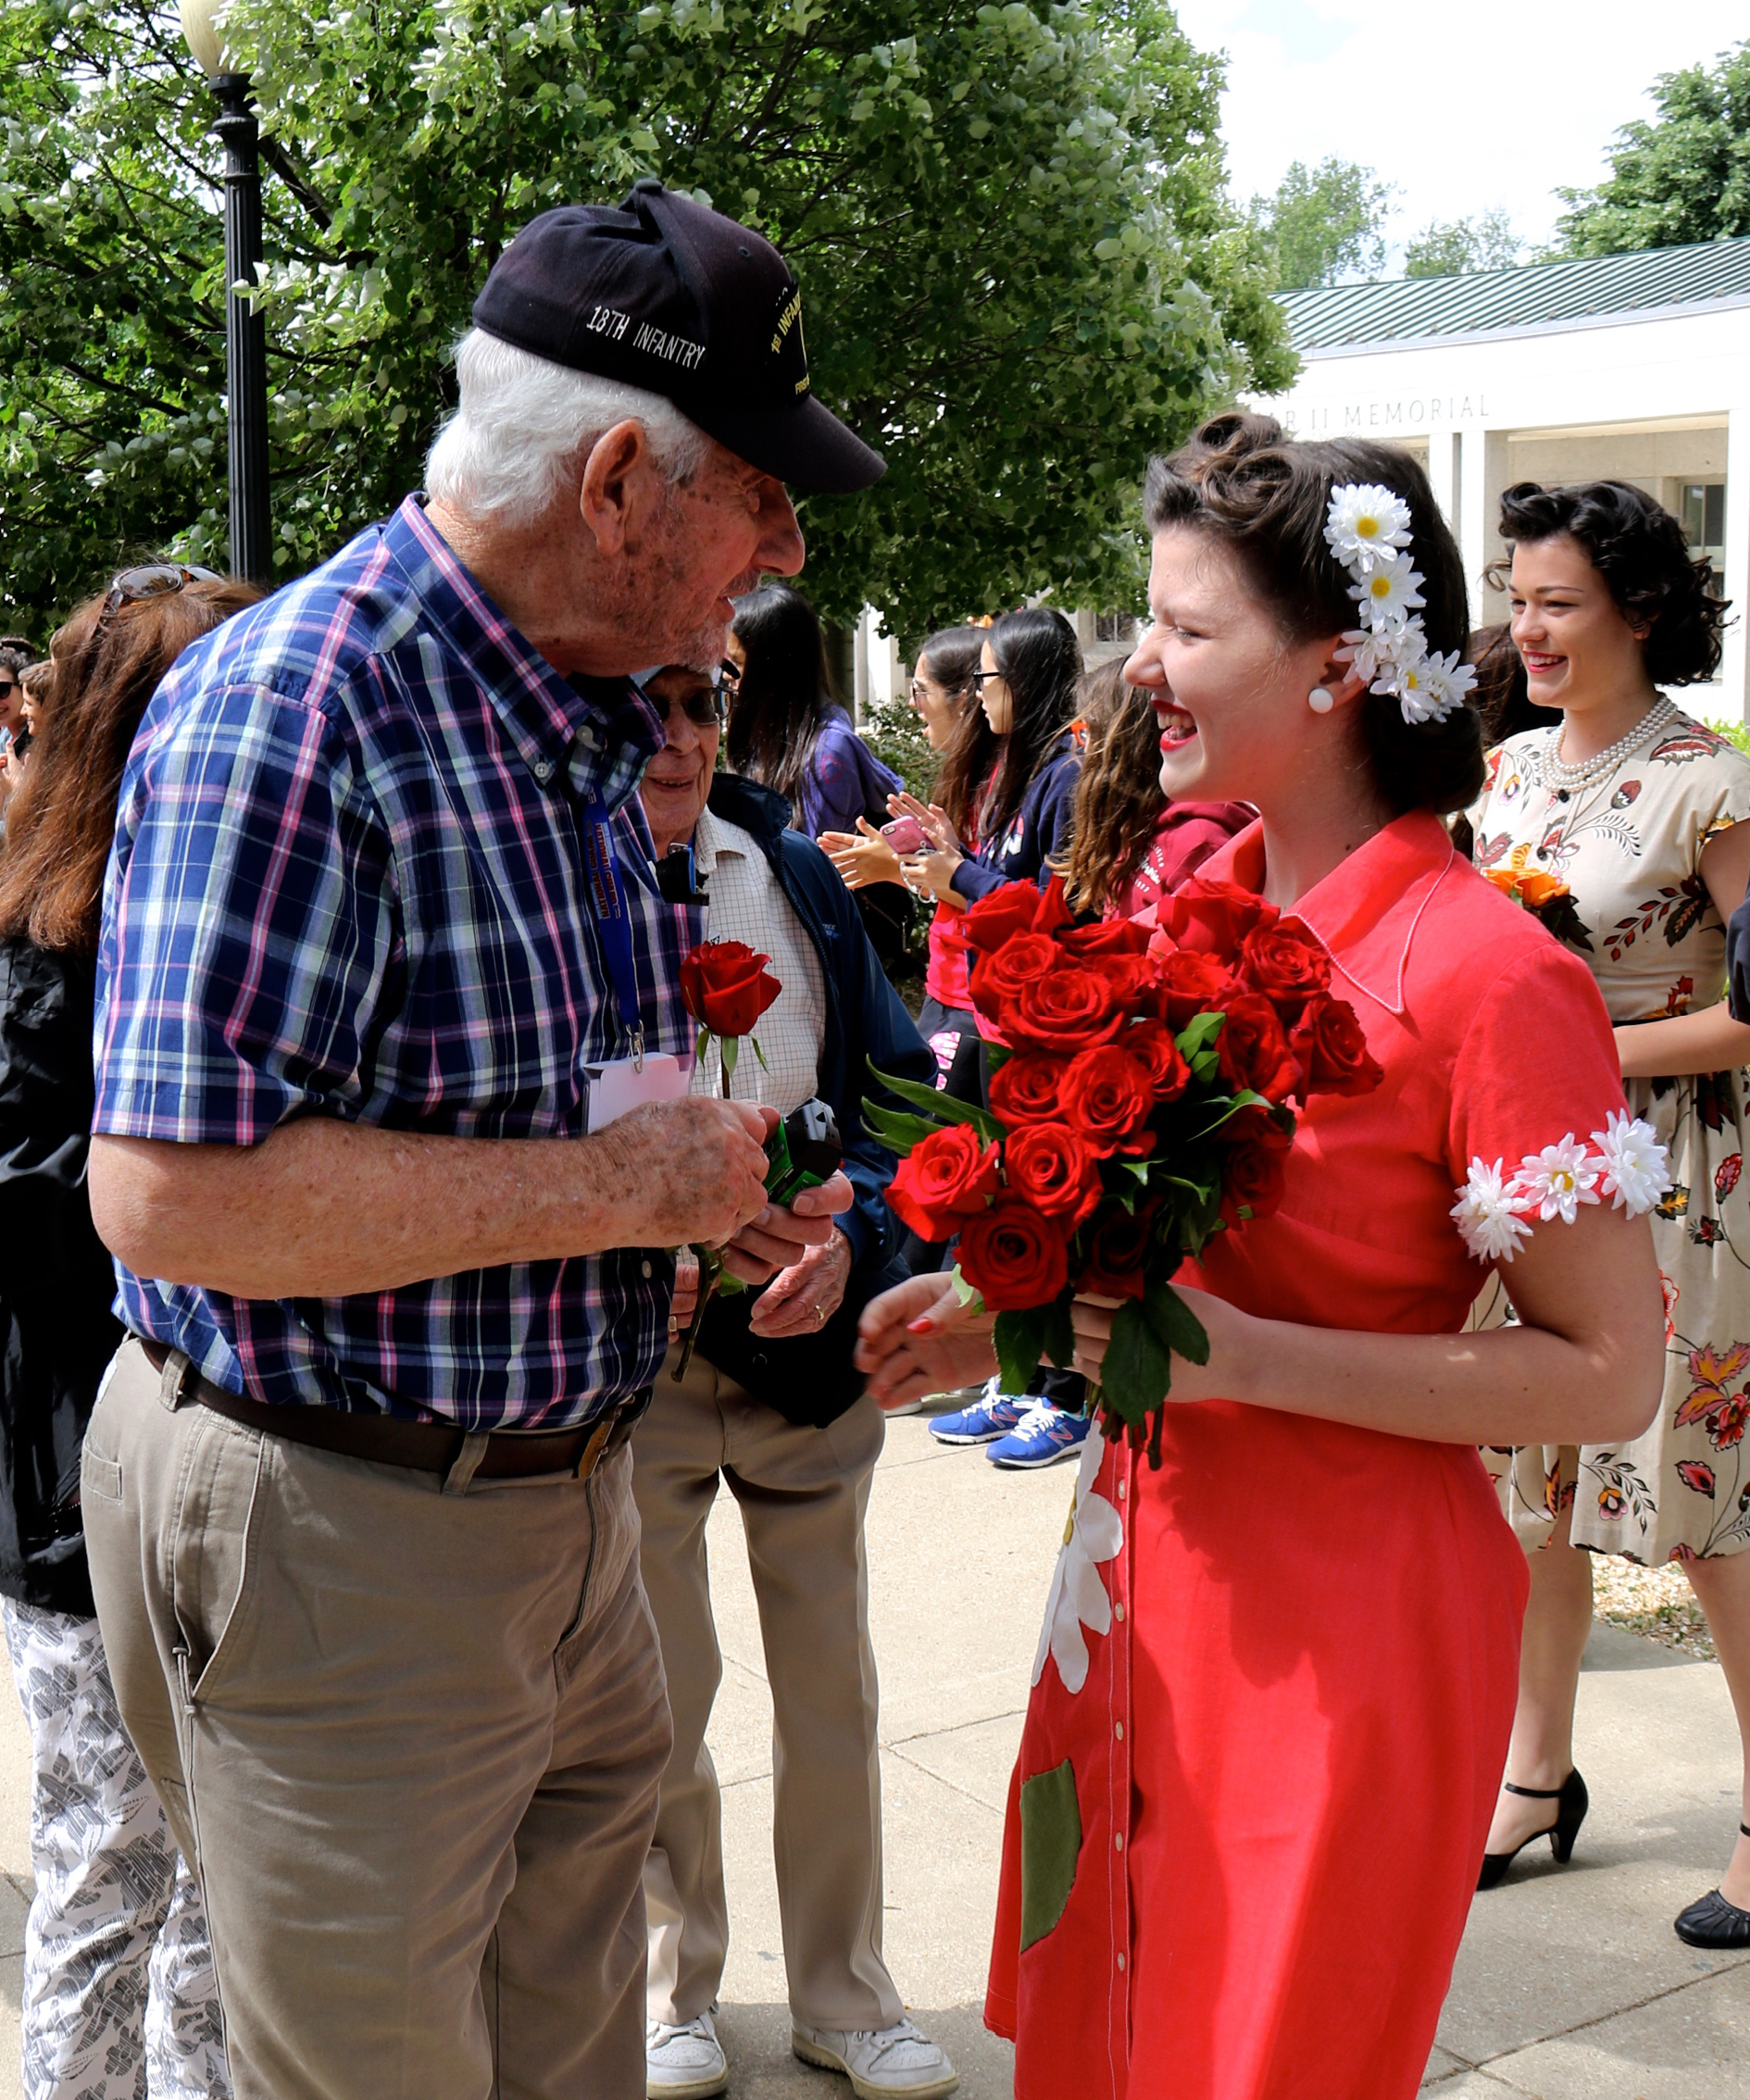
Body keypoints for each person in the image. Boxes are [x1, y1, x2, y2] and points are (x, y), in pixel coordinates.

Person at [78, 181, 884, 2100]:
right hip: (345, 1530)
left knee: (569, 2061)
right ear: (617, 479)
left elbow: (526, 1097)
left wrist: (720, 1204)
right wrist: (621, 1190)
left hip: (558, 1501)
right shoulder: (299, 707)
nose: (780, 543)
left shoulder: (577, 709)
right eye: (755, 489)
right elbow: (173, 1193)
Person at [855, 416, 1669, 2100]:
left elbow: (1613, 1367)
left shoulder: (1489, 973)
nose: (1143, 662)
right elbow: (1145, 1253)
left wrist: (1252, 1360)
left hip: (1347, 1634)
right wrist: (985, 1308)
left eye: (1187, 624)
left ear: (1333, 665)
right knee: (1107, 2044)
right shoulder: (1185, 909)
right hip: (1139, 1585)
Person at [631, 662, 955, 2100]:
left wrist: (860, 1240)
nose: (678, 737)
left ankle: (842, 1991)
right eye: (645, 707)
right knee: (649, 1698)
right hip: (627, 1364)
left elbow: (898, 1094)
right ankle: (666, 1990)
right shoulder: (538, 878)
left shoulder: (786, 868)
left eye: (699, 705)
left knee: (829, 1686)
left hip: (808, 1347)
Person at [1469, 479, 1750, 1947]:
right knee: (1531, 1495)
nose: (1527, 626)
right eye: (1518, 598)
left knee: (1705, 1508)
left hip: (1681, 1178)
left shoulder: (1712, 780)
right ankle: (1534, 1776)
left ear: (1639, 611)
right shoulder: (1503, 772)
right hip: (1540, 1167)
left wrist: (1592, 1047)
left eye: (1557, 602)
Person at [0, 570, 244, 2100]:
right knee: (109, 1872)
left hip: (233, 1487)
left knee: (219, 1892)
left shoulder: (215, 912)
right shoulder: (47, 940)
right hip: (80, 1494)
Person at [896, 606, 1091, 1468]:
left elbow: (1053, 910)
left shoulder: (1065, 775)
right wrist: (950, 858)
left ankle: (1064, 1393)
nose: (979, 694)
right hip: (997, 1019)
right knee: (1001, 1205)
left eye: (990, 678)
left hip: (1043, 1030)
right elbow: (1001, 882)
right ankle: (1016, 1371)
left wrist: (959, 875)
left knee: (1048, 1206)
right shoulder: (1016, 774)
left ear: (1031, 679)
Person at [820, 625, 988, 1091]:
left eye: (921, 690)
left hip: (972, 999)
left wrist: (892, 867)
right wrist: (891, 861)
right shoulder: (967, 778)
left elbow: (993, 893)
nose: (913, 703)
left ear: (966, 698)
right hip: (945, 988)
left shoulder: (995, 787)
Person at [725, 582, 911, 969]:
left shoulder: (830, 753)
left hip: (824, 952)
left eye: (737, 666)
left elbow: (820, 877)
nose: (727, 678)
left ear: (772, 669)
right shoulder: (763, 736)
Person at [1057, 658, 1250, 921]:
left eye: (1089, 732)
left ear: (1124, 742)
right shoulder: (1137, 817)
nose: (1083, 748)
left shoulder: (1200, 841)